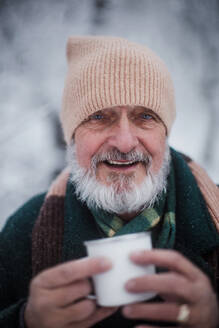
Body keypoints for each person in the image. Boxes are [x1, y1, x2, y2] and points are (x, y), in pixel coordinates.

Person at [0, 35, 219, 328]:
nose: (126, 143)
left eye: (145, 116)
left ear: (164, 134)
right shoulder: (25, 229)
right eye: (100, 116)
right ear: (72, 137)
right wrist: (25, 321)